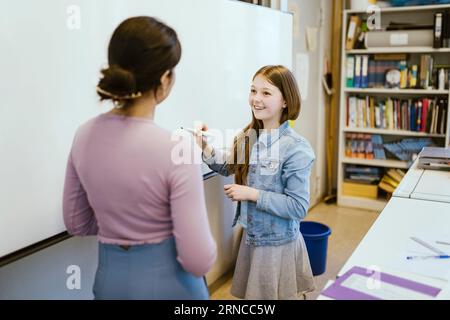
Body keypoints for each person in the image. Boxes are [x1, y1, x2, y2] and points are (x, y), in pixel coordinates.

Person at [62, 16, 216, 300]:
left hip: (110, 285)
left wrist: (123, 223)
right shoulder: (178, 151)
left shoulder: (83, 135)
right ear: (164, 79)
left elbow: (77, 223)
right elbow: (198, 260)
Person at [195, 65, 315, 300]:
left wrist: (252, 194)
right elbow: (228, 165)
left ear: (285, 101)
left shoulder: (297, 148)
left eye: (266, 93)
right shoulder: (249, 137)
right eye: (253, 91)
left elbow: (298, 207)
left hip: (277, 245)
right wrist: (203, 145)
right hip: (253, 238)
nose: (256, 99)